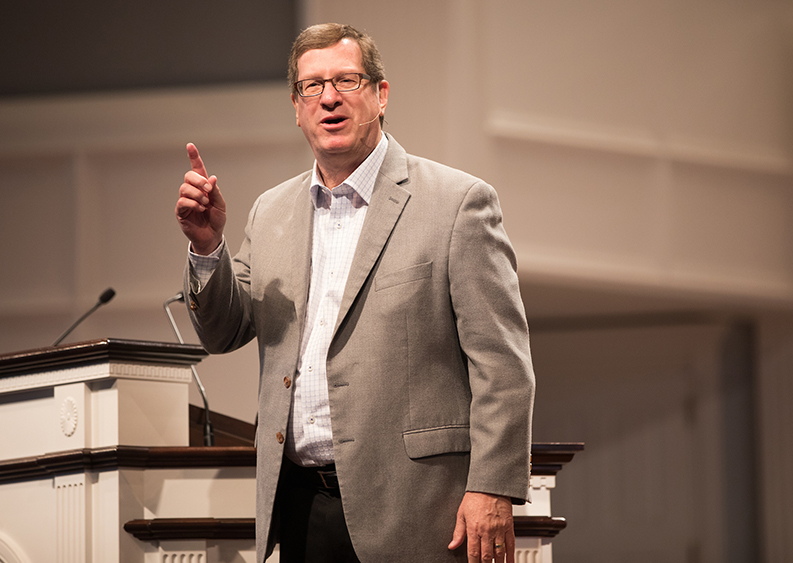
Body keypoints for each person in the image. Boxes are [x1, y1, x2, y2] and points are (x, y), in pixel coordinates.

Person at [175, 23, 535, 563]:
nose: (329, 99)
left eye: (346, 80)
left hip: (416, 509)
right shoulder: (270, 212)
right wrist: (207, 247)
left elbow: (502, 363)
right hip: (300, 504)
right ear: (296, 108)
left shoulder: (457, 203)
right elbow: (226, 330)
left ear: (380, 94)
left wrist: (492, 486)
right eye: (312, 87)